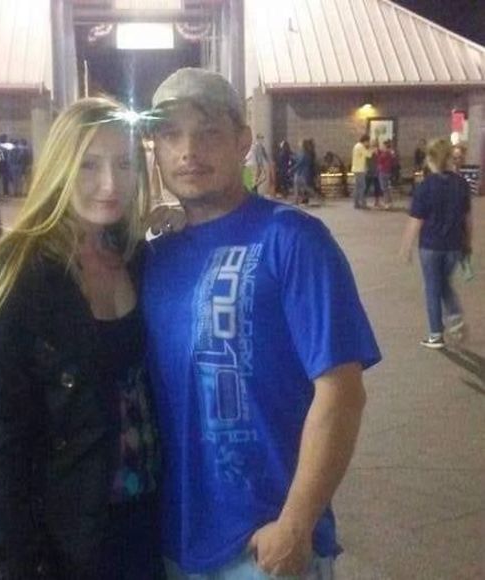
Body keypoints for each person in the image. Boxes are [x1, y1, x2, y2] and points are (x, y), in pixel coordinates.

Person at [143, 67, 381, 580]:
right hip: (171, 543)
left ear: (243, 141)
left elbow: (341, 392)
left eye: (208, 132)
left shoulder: (293, 240)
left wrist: (296, 523)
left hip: (263, 548)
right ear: (155, 149)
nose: (188, 151)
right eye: (171, 135)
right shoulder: (153, 256)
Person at [0, 96, 164, 579]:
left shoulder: (137, 256)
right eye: (89, 165)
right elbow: (0, 442)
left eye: (124, 164)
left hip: (145, 516)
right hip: (64, 533)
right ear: (60, 167)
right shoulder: (18, 271)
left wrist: (183, 232)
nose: (110, 183)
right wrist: (11, 562)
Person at [399, 138, 472, 349]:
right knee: (443, 282)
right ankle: (454, 316)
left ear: (429, 159)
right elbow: (467, 219)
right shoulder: (461, 184)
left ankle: (436, 334)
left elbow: (416, 221)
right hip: (454, 245)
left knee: (432, 288)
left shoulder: (425, 187)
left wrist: (406, 246)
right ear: (449, 157)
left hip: (430, 246)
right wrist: (467, 243)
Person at [292, 138, 320, 206]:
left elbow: (300, 162)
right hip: (299, 172)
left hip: (302, 172)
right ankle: (296, 200)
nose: (299, 145)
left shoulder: (305, 153)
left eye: (300, 144)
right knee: (297, 186)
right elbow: (297, 159)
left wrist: (292, 169)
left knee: (305, 187)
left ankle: (317, 196)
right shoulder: (302, 153)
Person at [351, 134, 372, 209]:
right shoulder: (361, 147)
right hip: (360, 170)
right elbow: (369, 155)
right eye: (368, 142)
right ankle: (363, 203)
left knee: (357, 187)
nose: (368, 143)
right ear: (365, 141)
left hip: (356, 169)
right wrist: (371, 148)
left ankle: (356, 203)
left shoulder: (356, 146)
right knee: (362, 187)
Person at [376, 140, 395, 209]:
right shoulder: (390, 154)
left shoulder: (384, 154)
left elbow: (379, 161)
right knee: (387, 188)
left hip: (383, 172)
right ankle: (390, 202)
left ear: (385, 146)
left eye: (383, 146)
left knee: (384, 188)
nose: (381, 147)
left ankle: (386, 203)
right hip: (388, 172)